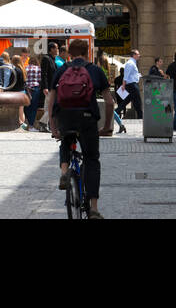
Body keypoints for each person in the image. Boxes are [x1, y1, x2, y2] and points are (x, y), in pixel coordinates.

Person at [46, 38, 113, 218]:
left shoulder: (61, 70)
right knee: (91, 159)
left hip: (65, 118)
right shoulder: (96, 70)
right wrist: (107, 127)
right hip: (87, 119)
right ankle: (93, 208)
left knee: (65, 142)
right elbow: (109, 102)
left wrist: (53, 127)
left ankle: (64, 171)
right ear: (87, 52)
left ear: (69, 52)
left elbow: (51, 101)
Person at [119, 50, 143, 122]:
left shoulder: (133, 63)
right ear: (134, 55)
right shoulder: (130, 63)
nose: (139, 55)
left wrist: (138, 75)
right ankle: (141, 117)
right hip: (132, 85)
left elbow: (132, 75)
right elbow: (126, 75)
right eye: (138, 54)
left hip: (132, 84)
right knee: (138, 101)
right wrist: (123, 85)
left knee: (127, 101)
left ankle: (115, 112)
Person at [24, 51, 43, 131]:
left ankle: (26, 123)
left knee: (26, 106)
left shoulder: (25, 68)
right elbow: (39, 79)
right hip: (35, 89)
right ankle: (31, 126)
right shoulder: (38, 68)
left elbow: (24, 79)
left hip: (27, 89)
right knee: (33, 107)